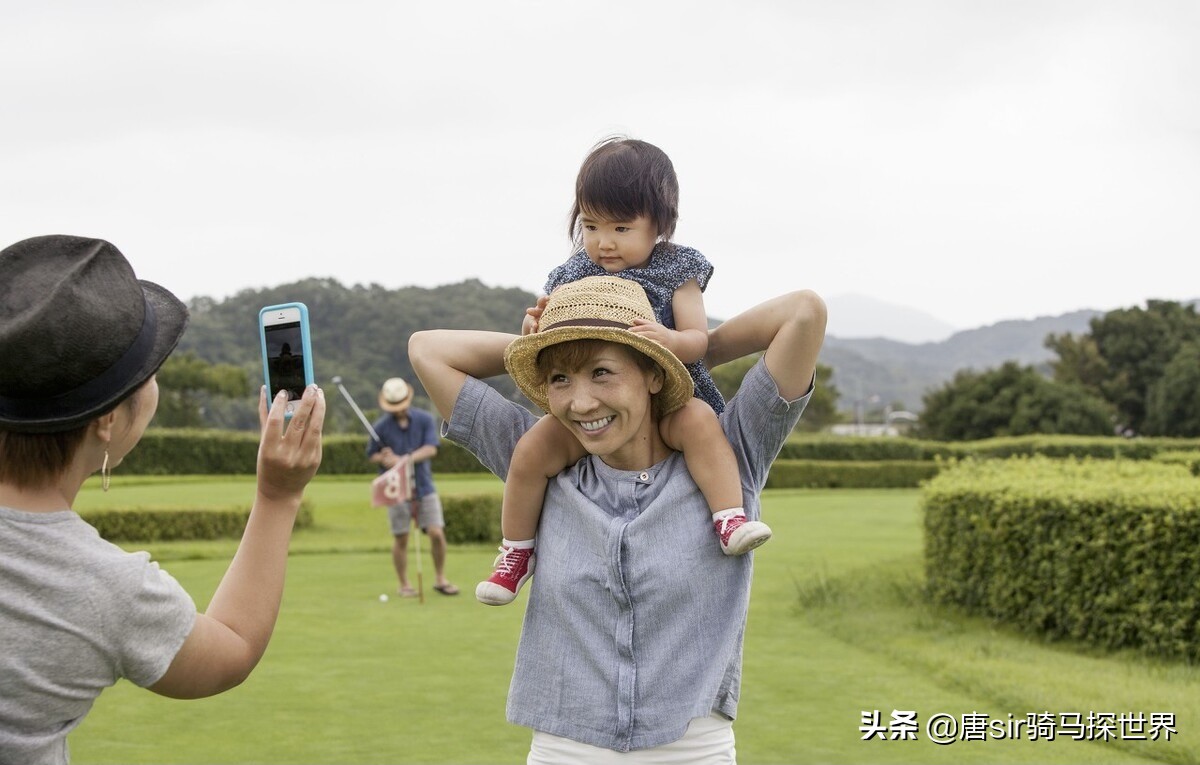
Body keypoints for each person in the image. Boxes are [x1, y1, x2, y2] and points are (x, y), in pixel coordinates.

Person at [409, 274, 826, 761]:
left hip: (692, 750)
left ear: (653, 375)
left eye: (602, 372)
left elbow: (804, 312)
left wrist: (685, 348)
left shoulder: (729, 456)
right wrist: (549, 339)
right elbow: (427, 349)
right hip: (565, 750)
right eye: (560, 379)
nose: (580, 403)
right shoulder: (538, 460)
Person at [0, 235, 325, 764]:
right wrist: (277, 495)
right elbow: (229, 651)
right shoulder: (103, 588)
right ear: (108, 419)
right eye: (149, 374)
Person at [476, 136, 769, 606]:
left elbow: (699, 338)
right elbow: (548, 335)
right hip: (595, 403)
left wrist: (672, 341)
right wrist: (533, 325)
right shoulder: (571, 274)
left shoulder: (677, 267)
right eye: (591, 226)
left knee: (698, 422)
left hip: (667, 395)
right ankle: (516, 552)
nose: (604, 242)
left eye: (620, 228)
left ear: (660, 226)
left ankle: (728, 515)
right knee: (531, 449)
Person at [366, 377, 459, 596]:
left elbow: (430, 449)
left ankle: (440, 578)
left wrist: (403, 459)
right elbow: (372, 455)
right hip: (396, 489)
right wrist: (384, 457)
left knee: (436, 532)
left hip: (424, 486)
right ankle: (404, 585)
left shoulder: (424, 419)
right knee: (402, 536)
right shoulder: (380, 426)